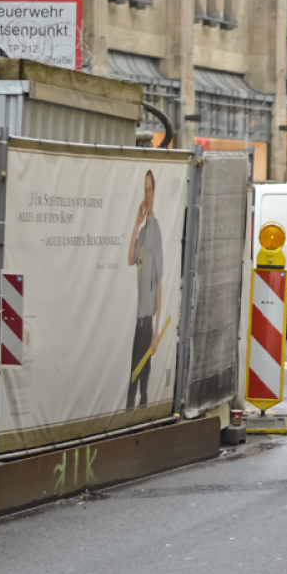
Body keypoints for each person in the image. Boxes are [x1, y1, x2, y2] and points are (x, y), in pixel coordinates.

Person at [126, 169, 163, 410]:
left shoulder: (156, 231)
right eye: (144, 190)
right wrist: (136, 223)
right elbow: (130, 259)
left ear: (155, 192)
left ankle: (140, 416)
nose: (147, 195)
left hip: (148, 322)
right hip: (139, 322)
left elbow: (159, 282)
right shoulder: (142, 231)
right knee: (135, 378)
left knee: (140, 385)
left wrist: (156, 331)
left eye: (150, 190)